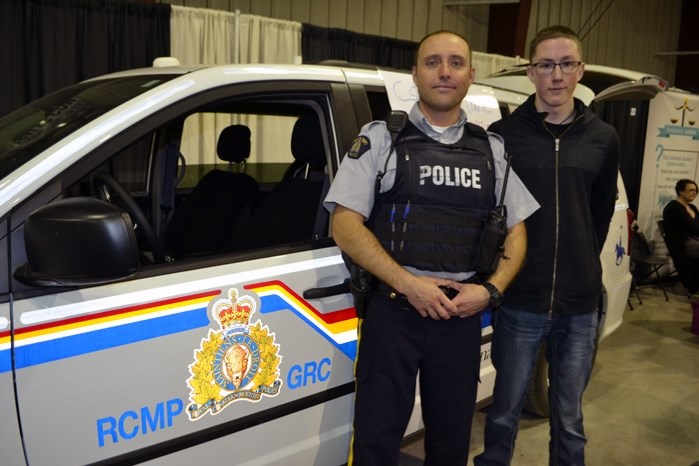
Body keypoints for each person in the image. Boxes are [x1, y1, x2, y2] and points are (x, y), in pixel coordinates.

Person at [324, 30, 539, 466]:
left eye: (456, 63)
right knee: (375, 441)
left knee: (451, 441)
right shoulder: (382, 139)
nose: (445, 72)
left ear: (471, 75)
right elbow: (344, 225)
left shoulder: (492, 151)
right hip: (393, 314)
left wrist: (491, 291)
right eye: (433, 62)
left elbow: (517, 231)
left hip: (459, 320)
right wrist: (409, 284)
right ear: (415, 74)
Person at [473, 25, 620, 466]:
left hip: (579, 304)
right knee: (503, 412)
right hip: (520, 298)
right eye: (545, 65)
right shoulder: (503, 135)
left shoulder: (603, 137)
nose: (556, 75)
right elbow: (492, 213)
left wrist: (579, 265)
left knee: (569, 416)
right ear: (531, 72)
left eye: (566, 64)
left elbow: (599, 211)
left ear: (581, 70)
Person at [662, 178, 699, 294]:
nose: (694, 193)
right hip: (682, 245)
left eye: (696, 191)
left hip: (694, 242)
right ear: (680, 191)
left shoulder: (693, 208)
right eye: (691, 190)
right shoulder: (673, 208)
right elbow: (693, 228)